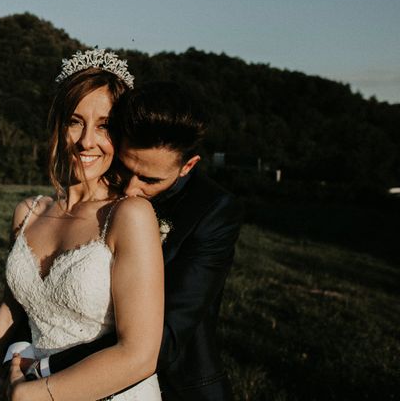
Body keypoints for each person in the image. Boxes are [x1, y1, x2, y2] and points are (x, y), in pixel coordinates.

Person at [15, 82, 242, 400]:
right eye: (127, 168)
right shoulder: (99, 195)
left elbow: (166, 334)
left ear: (187, 166)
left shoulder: (213, 210)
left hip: (179, 385)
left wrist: (43, 368)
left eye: (150, 180)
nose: (131, 189)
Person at [0, 49, 165, 401]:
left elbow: (139, 356)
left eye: (104, 126)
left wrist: (35, 395)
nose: (87, 141)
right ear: (58, 126)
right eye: (74, 121)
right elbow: (12, 310)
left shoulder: (129, 215)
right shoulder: (28, 211)